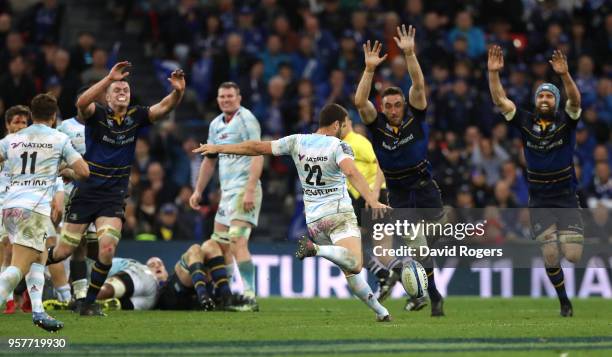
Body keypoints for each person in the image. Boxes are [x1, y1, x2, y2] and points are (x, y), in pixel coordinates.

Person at [195, 103, 392, 322]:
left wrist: (219, 148)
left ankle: (381, 312)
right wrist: (373, 201)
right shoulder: (339, 146)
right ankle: (316, 250)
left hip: (315, 223)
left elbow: (256, 147)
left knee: (351, 272)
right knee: (355, 262)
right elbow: (351, 171)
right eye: (342, 126)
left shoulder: (297, 141)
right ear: (337, 124)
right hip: (339, 214)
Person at [45, 61, 186, 316]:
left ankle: (87, 303)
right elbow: (81, 104)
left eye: (126, 90)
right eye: (117, 90)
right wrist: (109, 78)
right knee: (64, 250)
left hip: (113, 196)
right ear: (107, 96)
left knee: (106, 249)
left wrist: (177, 92)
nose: (122, 92)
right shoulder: (97, 114)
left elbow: (164, 107)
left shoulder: (135, 116)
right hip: (86, 192)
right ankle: (22, 270)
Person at [354, 25, 445, 316]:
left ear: (403, 105)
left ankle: (424, 287)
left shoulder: (416, 117)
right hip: (400, 193)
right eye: (388, 106)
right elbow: (359, 102)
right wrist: (369, 70)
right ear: (383, 108)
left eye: (396, 105)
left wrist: (409, 54)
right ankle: (433, 297)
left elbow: (418, 84)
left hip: (425, 186)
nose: (392, 109)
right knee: (418, 246)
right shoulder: (376, 125)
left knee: (433, 238)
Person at [487, 46, 583, 317]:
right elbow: (500, 100)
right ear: (535, 100)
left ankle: (564, 242)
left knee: (573, 255)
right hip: (539, 198)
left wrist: (564, 76)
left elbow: (575, 101)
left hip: (565, 196)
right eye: (540, 95)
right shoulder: (526, 121)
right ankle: (564, 302)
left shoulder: (567, 122)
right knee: (551, 255)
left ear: (555, 101)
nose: (544, 99)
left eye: (549, 96)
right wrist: (493, 73)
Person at [0, 94, 89, 331]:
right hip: (34, 209)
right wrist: (64, 169)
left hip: (9, 208)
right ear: (53, 116)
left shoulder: (12, 139)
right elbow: (84, 171)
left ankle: (38, 312)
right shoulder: (59, 138)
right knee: (17, 267)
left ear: (31, 115)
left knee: (39, 258)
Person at [189, 82, 262, 311]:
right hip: (227, 194)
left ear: (239, 97)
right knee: (219, 246)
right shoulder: (215, 124)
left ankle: (250, 296)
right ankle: (226, 295)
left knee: (237, 241)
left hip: (244, 189)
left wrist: (250, 188)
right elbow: (209, 159)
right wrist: (198, 190)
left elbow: (259, 153)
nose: (226, 100)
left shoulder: (247, 119)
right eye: (222, 96)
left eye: (230, 96)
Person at [338, 118, 395, 299]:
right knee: (351, 246)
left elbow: (382, 161)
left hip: (371, 197)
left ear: (346, 123)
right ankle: (391, 278)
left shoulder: (358, 142)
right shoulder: (342, 144)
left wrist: (375, 192)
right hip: (359, 198)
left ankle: (390, 277)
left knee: (382, 252)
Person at [147, 240, 247, 311]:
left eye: (160, 264)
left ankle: (226, 296)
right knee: (195, 248)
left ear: (166, 271)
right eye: (152, 265)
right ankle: (206, 294)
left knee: (210, 245)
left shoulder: (171, 278)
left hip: (201, 294)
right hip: (174, 297)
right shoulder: (148, 289)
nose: (157, 265)